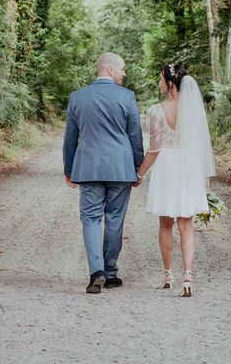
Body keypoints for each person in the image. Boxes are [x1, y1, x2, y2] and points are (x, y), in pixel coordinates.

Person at [63, 52, 144, 294]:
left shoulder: (77, 98)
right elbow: (135, 137)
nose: (124, 74)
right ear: (110, 70)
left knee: (90, 218)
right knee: (115, 218)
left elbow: (71, 138)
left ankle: (96, 271)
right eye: (122, 69)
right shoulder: (127, 97)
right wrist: (138, 168)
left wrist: (68, 169)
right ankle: (110, 274)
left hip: (88, 167)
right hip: (120, 168)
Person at [135, 63, 216, 297]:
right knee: (186, 225)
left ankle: (168, 273)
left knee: (165, 224)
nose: (159, 84)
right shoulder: (194, 111)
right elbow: (200, 146)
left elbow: (154, 149)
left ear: (170, 84)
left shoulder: (157, 111)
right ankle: (188, 275)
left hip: (168, 168)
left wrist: (140, 174)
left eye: (161, 80)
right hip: (189, 167)